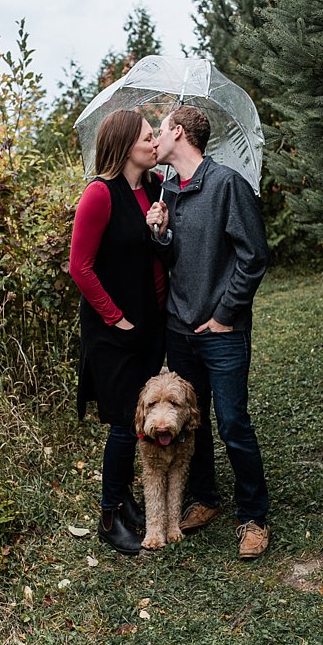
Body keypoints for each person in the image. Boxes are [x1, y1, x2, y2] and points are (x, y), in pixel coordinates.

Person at [144, 105, 272, 559]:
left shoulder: (227, 185)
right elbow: (172, 261)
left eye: (159, 132)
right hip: (180, 328)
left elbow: (253, 256)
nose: (155, 141)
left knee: (233, 423)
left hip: (222, 329)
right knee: (189, 422)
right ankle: (206, 500)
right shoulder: (168, 192)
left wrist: (224, 313)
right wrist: (158, 234)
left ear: (179, 133)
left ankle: (254, 517)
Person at [70, 109, 167, 556]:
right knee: (125, 426)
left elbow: (150, 256)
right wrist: (116, 318)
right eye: (149, 137)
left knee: (137, 420)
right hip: (113, 330)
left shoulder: (152, 190)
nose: (154, 143)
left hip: (150, 322)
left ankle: (126, 499)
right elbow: (81, 268)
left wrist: (159, 231)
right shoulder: (99, 195)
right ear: (126, 144)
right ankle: (110, 515)